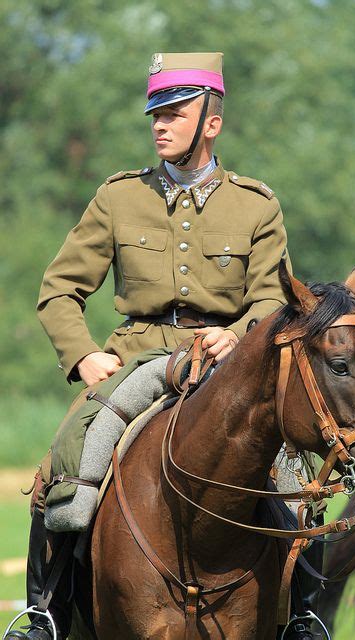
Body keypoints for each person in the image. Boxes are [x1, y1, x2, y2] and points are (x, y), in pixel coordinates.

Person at [6, 52, 293, 639]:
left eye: (175, 112)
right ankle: (45, 614)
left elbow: (273, 299)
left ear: (212, 121)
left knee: (293, 475)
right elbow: (59, 289)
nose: (159, 124)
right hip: (137, 356)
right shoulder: (117, 197)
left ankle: (304, 615)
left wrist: (237, 335)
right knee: (65, 464)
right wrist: (84, 354)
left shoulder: (257, 204)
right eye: (154, 114)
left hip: (226, 362)